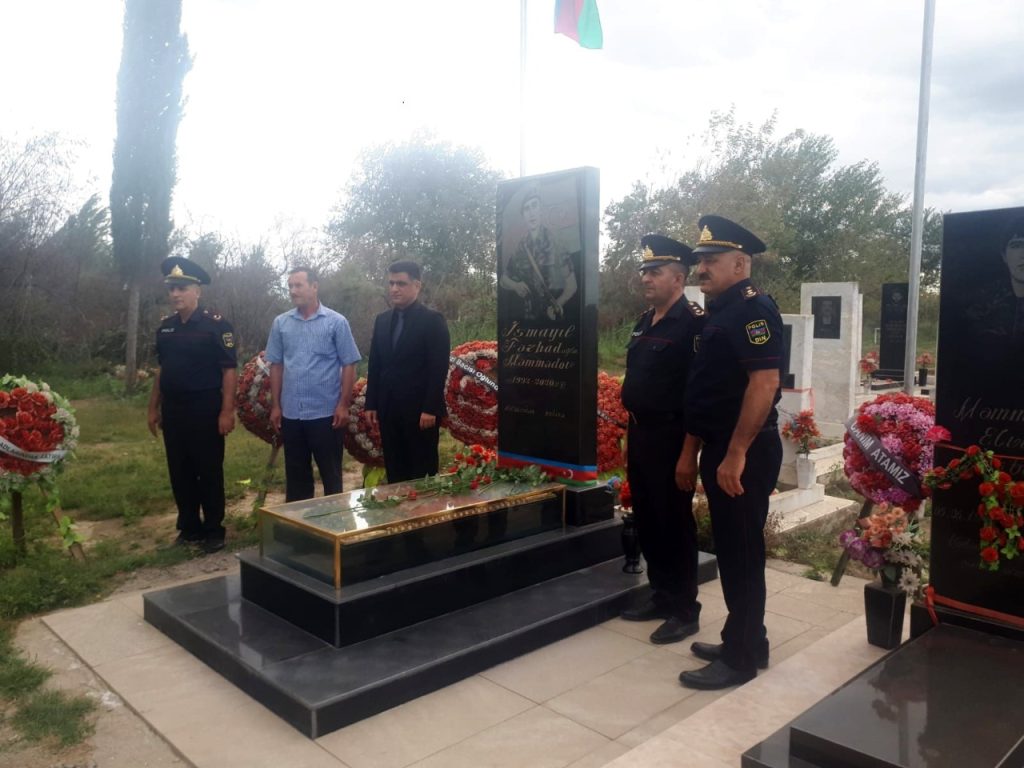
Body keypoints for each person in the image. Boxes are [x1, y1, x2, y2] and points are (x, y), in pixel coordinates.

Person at [675, 215, 784, 690]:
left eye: (712, 260)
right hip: (721, 444)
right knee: (734, 548)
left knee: (741, 553)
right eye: (699, 261)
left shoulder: (752, 310)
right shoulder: (719, 311)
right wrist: (695, 450)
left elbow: (764, 383)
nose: (701, 268)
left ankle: (740, 660)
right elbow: (707, 390)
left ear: (740, 264)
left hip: (745, 450)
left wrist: (736, 452)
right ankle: (748, 640)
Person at [619, 234, 706, 644]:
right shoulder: (645, 320)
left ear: (679, 278)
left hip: (672, 437)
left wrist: (689, 454)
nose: (646, 278)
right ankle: (661, 594)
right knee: (648, 517)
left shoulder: (693, 324)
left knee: (674, 521)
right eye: (644, 271)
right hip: (641, 434)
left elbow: (696, 396)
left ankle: (685, 610)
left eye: (655, 272)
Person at [147, 256, 237, 554]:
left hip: (205, 409)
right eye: (172, 288)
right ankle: (189, 528)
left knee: (208, 469)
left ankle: (213, 530)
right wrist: (153, 408)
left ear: (197, 291)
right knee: (180, 470)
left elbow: (229, 370)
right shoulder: (166, 329)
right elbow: (162, 370)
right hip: (174, 410)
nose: (176, 294)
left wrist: (227, 411)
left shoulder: (216, 326)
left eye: (182, 288)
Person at [266, 266, 360, 502]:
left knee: (331, 476)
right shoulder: (281, 323)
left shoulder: (336, 322)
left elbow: (349, 363)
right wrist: (276, 406)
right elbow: (276, 365)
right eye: (290, 286)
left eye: (298, 285)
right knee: (296, 478)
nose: (293, 291)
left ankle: (334, 519)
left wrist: (343, 405)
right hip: (292, 414)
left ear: (314, 286)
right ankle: (300, 523)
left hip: (326, 414)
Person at [365, 261, 450, 482]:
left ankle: (426, 506)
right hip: (388, 408)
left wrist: (430, 408)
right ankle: (398, 504)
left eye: (401, 283)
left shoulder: (432, 321)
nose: (394, 289)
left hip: (420, 412)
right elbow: (375, 364)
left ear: (417, 285)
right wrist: (371, 403)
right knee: (395, 469)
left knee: (422, 472)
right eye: (391, 283)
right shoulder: (382, 320)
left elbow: (438, 367)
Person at [500, 189, 578, 321]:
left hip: (551, 318)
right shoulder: (521, 248)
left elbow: (572, 285)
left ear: (541, 210)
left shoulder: (556, 244)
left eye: (534, 205)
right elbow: (503, 279)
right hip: (528, 319)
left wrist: (558, 304)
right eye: (526, 209)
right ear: (523, 216)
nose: (531, 213)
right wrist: (515, 285)